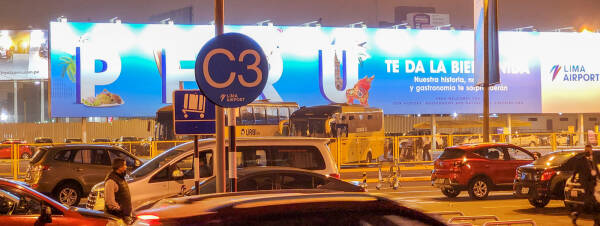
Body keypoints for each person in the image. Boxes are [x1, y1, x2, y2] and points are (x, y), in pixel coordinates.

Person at [570, 144, 600, 225]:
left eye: (589, 150)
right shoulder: (580, 160)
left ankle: (576, 215)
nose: (588, 151)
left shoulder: (593, 160)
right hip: (585, 184)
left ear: (591, 151)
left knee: (588, 203)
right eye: (586, 150)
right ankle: (597, 221)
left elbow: (596, 170)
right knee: (593, 202)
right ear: (584, 151)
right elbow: (575, 171)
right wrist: (573, 182)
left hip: (593, 183)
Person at [105, 158, 133, 224]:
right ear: (119, 167)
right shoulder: (111, 181)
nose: (126, 167)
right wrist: (120, 211)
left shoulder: (121, 178)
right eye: (125, 165)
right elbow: (110, 202)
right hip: (117, 218)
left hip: (123, 216)